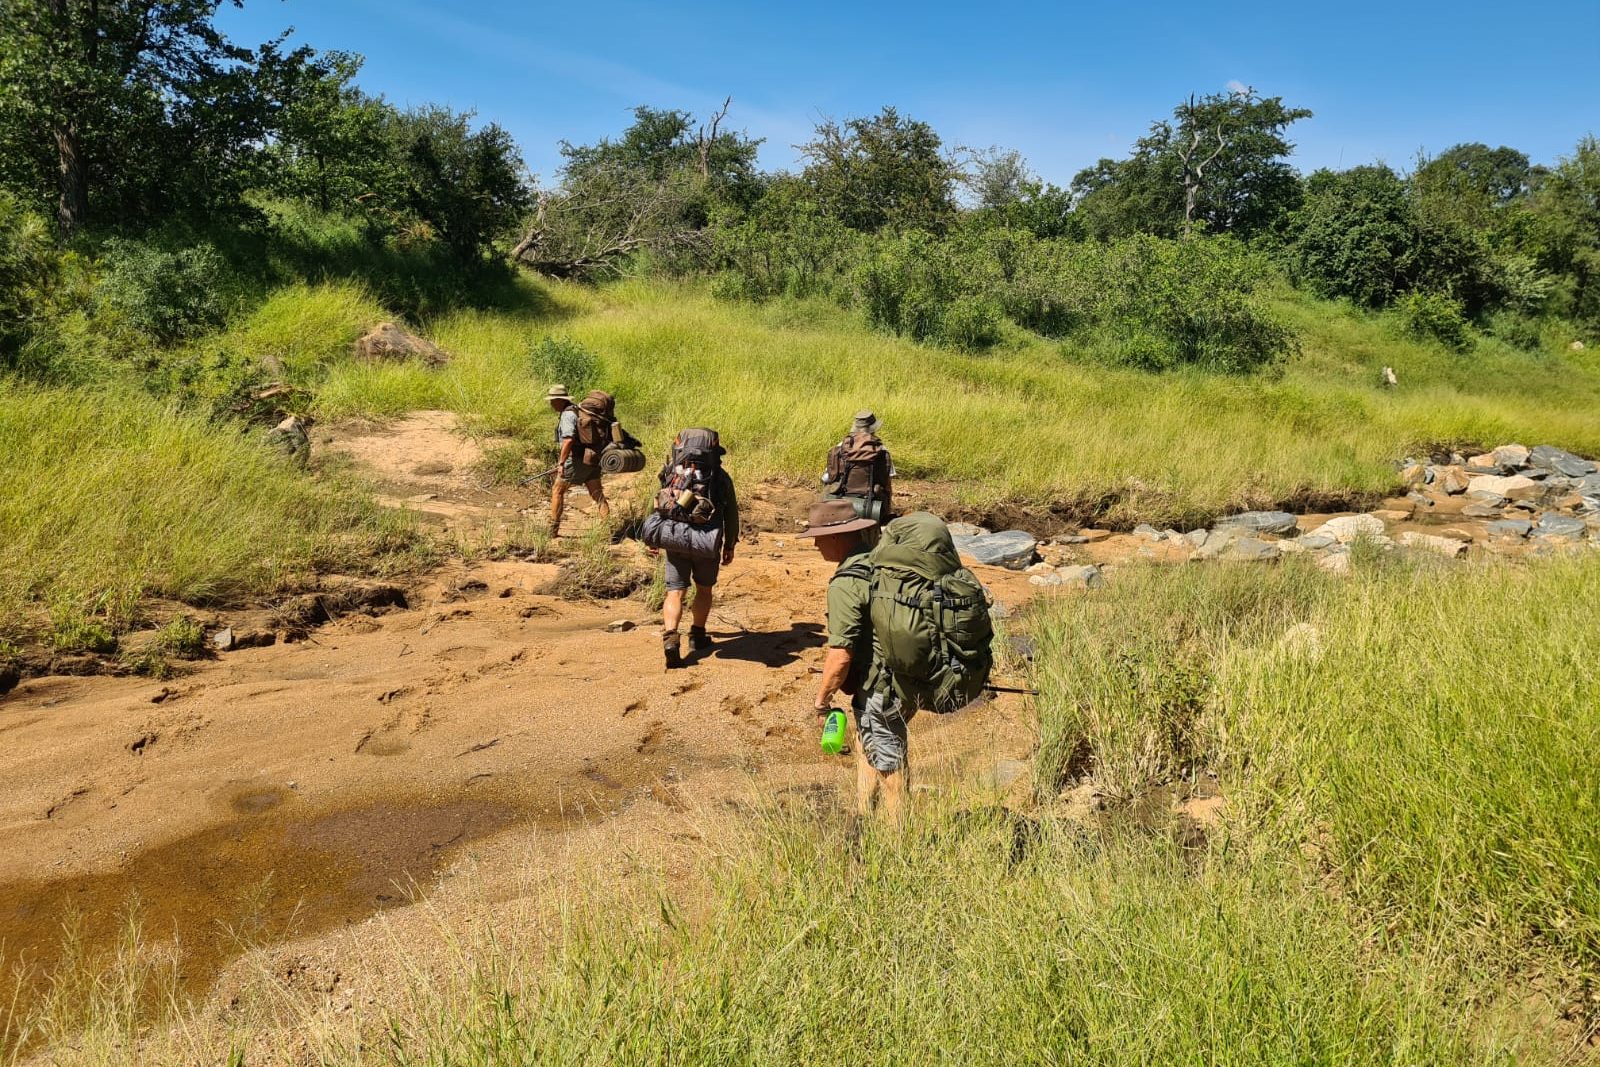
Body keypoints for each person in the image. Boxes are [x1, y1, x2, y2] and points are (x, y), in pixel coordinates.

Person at [797, 497, 912, 825]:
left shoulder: (846, 583)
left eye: (818, 536)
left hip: (881, 686)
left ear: (837, 537)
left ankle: (896, 845)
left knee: (891, 767)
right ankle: (864, 815)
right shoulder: (880, 560)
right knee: (868, 741)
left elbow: (840, 655)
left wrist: (822, 700)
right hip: (903, 677)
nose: (816, 544)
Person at [651, 428, 739, 670]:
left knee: (675, 591)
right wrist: (730, 543)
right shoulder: (720, 477)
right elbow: (731, 513)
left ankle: (670, 637)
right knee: (704, 589)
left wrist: (654, 540)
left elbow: (658, 505)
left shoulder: (671, 473)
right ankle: (697, 636)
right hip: (706, 541)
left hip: (674, 539)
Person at [546, 384, 610, 537]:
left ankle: (552, 531)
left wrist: (561, 463)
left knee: (557, 490)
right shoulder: (577, 410)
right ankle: (607, 530)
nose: (551, 403)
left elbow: (568, 440)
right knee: (597, 495)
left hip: (577, 460)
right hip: (592, 457)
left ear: (559, 400)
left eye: (552, 400)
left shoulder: (567, 415)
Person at [821, 409, 895, 524]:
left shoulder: (840, 447)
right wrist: (887, 510)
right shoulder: (882, 450)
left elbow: (827, 478)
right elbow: (887, 483)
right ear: (873, 429)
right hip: (871, 502)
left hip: (840, 499)